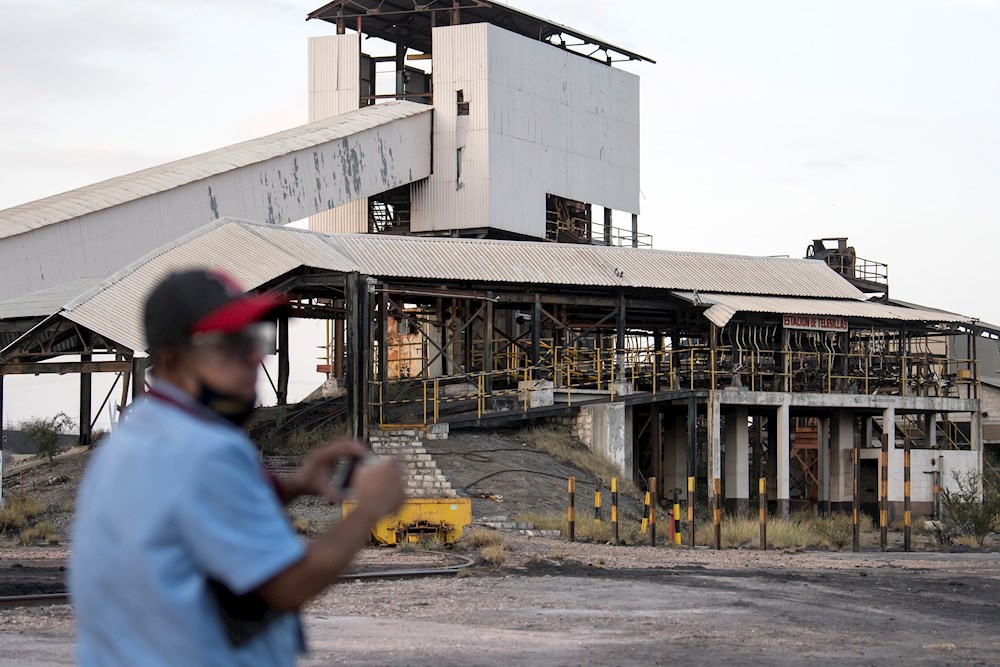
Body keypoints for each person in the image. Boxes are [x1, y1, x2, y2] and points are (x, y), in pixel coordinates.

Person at [69, 269, 405, 666]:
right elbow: (287, 585)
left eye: (255, 338)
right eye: (227, 344)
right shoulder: (207, 450)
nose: (253, 356)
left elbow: (190, 513)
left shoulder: (133, 438)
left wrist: (293, 486)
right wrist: (367, 509)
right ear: (172, 360)